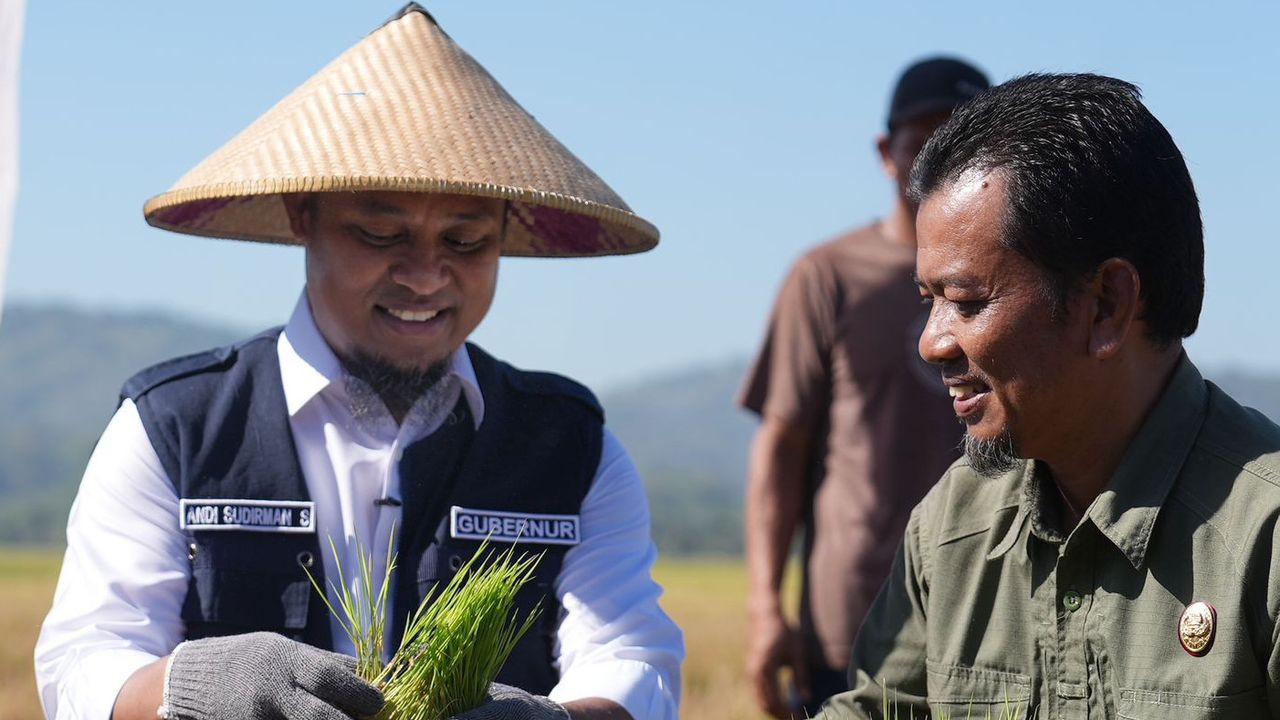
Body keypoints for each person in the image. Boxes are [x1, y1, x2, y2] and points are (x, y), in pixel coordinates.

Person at [34, 5, 682, 720]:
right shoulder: (175, 429)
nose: (426, 275)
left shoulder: (572, 449)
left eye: (466, 243)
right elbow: (84, 665)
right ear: (301, 214)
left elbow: (633, 663)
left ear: (504, 236)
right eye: (381, 233)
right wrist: (198, 685)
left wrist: (553, 719)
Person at [817, 72, 1280, 718]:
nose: (933, 343)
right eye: (929, 302)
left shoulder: (1266, 536)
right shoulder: (953, 527)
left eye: (968, 302)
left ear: (1107, 305)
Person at [739, 57, 987, 717]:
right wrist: (766, 608)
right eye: (922, 144)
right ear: (886, 153)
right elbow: (782, 448)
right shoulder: (830, 277)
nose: (941, 163)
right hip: (851, 619)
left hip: (990, 616)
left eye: (964, 144)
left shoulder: (1021, 286)